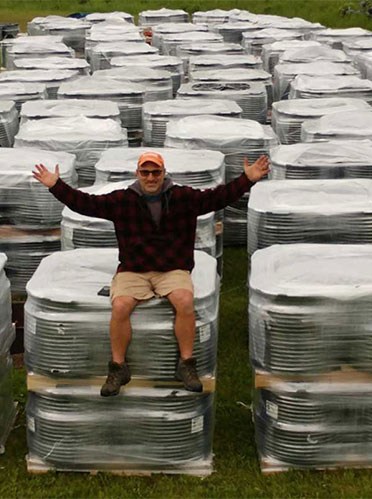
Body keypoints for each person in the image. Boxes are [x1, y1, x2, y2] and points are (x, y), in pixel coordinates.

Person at [33, 151, 270, 397]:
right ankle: (118, 368)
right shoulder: (122, 200)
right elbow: (86, 203)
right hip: (134, 270)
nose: (151, 177)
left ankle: (186, 364)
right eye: (145, 172)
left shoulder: (182, 197)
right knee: (121, 306)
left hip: (172, 268)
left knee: (184, 300)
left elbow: (217, 198)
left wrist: (247, 179)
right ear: (137, 174)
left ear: (163, 173)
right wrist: (56, 186)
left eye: (156, 172)